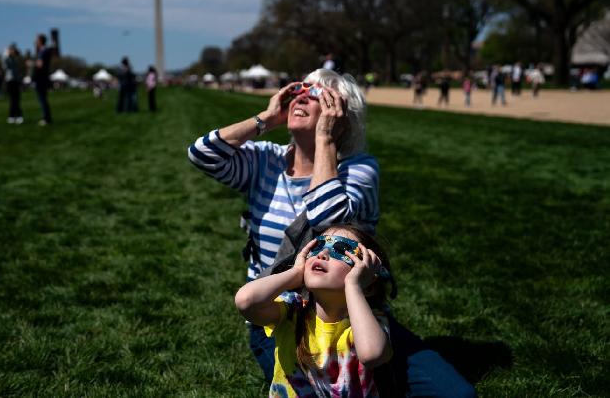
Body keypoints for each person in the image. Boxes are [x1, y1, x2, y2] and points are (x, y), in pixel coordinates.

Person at [188, 68, 475, 397]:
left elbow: (328, 220)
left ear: (341, 117)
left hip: (353, 311)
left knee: (454, 393)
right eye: (299, 91)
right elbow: (202, 154)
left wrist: (325, 140)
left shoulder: (360, 169)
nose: (302, 98)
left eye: (317, 95)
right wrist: (266, 117)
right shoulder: (265, 160)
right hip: (283, 313)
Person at [235, 224, 394, 397]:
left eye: (341, 250)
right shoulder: (292, 311)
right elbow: (246, 301)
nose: (322, 254)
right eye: (318, 246)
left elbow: (372, 354)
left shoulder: (370, 323)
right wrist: (296, 273)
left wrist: (353, 285)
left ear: (369, 283)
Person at [33, 33, 56, 125]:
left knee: (42, 99)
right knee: (43, 98)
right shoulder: (45, 50)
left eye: (36, 40)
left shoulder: (43, 51)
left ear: (39, 41)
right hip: (44, 77)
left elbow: (40, 64)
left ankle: (46, 118)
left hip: (40, 78)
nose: (35, 42)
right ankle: (47, 117)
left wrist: (32, 64)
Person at [2, 43, 24, 124]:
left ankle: (18, 115)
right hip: (10, 80)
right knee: (12, 99)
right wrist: (7, 53)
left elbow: (19, 60)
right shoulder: (7, 58)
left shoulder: (16, 58)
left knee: (17, 99)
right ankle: (12, 116)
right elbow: (5, 65)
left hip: (16, 80)